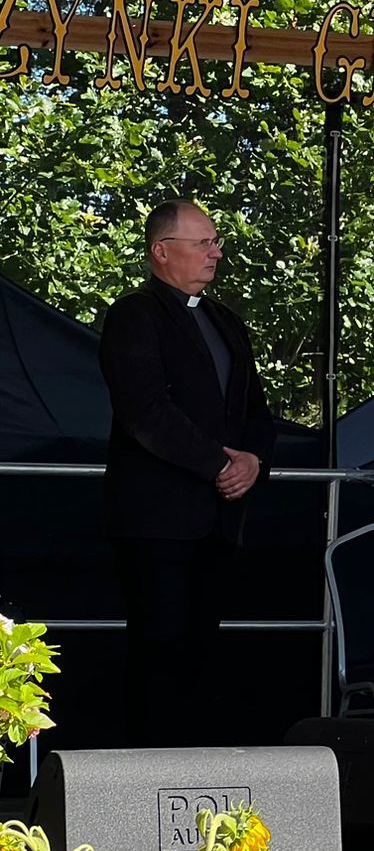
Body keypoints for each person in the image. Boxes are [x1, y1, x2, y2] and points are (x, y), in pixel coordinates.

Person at [98, 199, 279, 745]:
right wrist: (221, 462)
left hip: (217, 519)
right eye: (202, 242)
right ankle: (145, 780)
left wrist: (253, 460)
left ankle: (196, 779)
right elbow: (145, 413)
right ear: (161, 251)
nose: (216, 252)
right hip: (157, 519)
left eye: (216, 241)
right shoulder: (135, 313)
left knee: (203, 651)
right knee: (160, 647)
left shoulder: (226, 321)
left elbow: (256, 413)